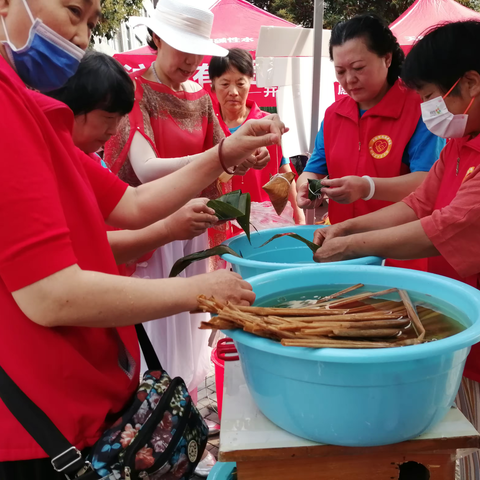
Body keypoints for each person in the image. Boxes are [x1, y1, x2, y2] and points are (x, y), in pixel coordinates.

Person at [0, 0, 285, 477]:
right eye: (73, 10)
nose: (84, 36)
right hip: (42, 421)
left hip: (82, 399)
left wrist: (225, 152)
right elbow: (51, 294)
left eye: (92, 22)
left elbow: (130, 205)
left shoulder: (30, 109)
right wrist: (197, 291)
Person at [311, 20, 480, 479]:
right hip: (452, 300)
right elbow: (419, 202)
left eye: (429, 95)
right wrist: (347, 230)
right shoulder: (460, 140)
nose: (426, 107)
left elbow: (443, 226)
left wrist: (354, 244)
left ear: (469, 84)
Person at [296, 14, 444, 268]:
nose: (349, 80)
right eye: (340, 71)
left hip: (402, 250)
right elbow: (315, 169)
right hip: (343, 248)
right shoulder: (334, 114)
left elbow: (428, 182)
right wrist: (307, 189)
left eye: (358, 68)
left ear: (387, 58)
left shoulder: (419, 107)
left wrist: (367, 186)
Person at [49, 51, 218, 271]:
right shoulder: (62, 162)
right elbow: (131, 205)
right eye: (109, 119)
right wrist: (167, 228)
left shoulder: (89, 158)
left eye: (120, 119)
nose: (115, 129)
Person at [209, 48, 305, 225]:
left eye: (240, 83)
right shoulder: (207, 126)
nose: (233, 92)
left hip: (264, 220)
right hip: (221, 222)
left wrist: (299, 215)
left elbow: (283, 170)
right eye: (224, 84)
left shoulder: (267, 124)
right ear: (212, 85)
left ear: (251, 81)